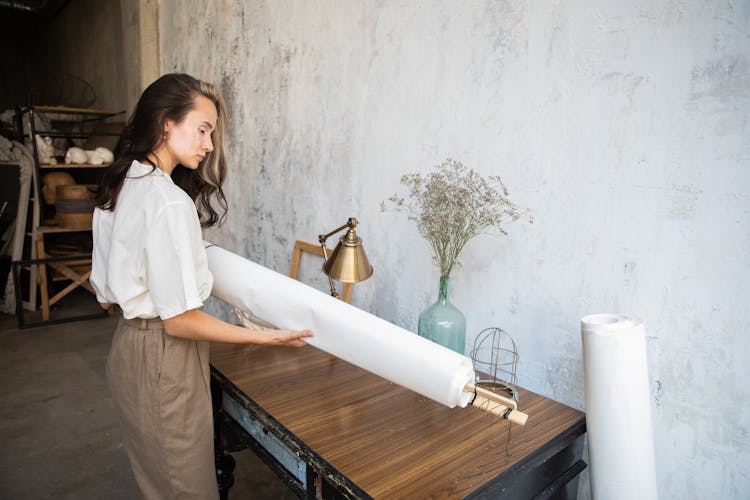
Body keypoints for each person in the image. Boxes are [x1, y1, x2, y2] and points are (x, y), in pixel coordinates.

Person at [91, 73, 313, 499]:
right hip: (164, 358)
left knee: (157, 482)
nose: (209, 144)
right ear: (166, 124)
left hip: (126, 350)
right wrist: (266, 337)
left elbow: (104, 296)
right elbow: (180, 322)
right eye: (203, 129)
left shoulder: (119, 185)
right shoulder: (168, 201)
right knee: (187, 488)